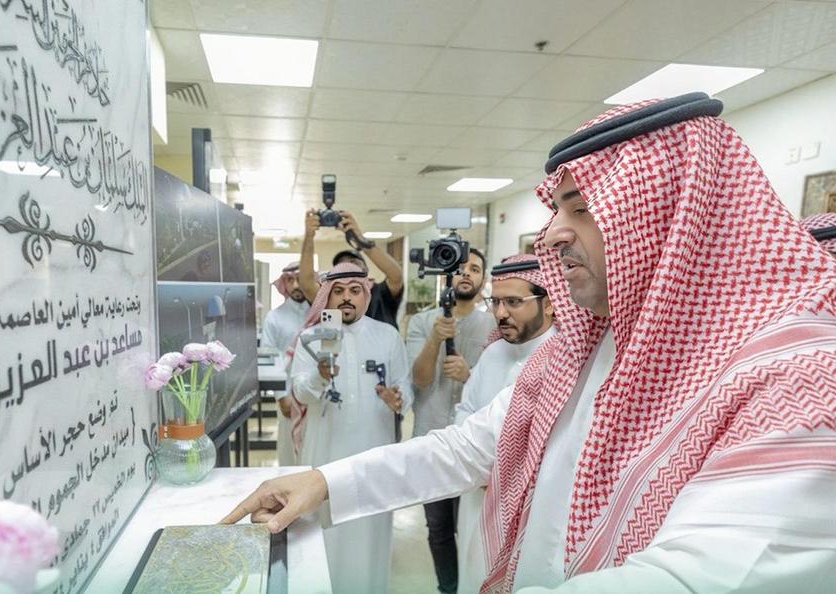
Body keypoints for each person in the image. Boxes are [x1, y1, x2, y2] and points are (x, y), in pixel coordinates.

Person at [223, 94, 836, 593]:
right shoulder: (581, 350)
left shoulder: (796, 372)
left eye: (581, 209)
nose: (552, 235)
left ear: (671, 214)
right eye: (557, 210)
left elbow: (703, 577)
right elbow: (469, 446)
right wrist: (324, 482)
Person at [288, 262, 411, 594]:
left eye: (355, 291)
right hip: (326, 454)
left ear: (366, 295)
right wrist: (319, 377)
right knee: (325, 530)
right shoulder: (311, 339)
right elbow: (300, 392)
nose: (346, 298)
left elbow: (405, 385)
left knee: (371, 530)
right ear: (327, 297)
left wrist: (398, 398)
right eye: (338, 291)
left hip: (375, 453)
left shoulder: (387, 335)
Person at [453, 254, 557, 591]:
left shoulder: (566, 359)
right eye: (495, 302)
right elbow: (465, 410)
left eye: (513, 302)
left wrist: (504, 472)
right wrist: (484, 469)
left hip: (533, 509)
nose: (500, 313)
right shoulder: (492, 354)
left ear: (550, 303)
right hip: (478, 496)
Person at [405, 246, 496, 594]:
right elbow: (420, 379)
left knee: (470, 527)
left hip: (476, 447)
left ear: (483, 279)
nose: (467, 274)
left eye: (475, 269)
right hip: (432, 441)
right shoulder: (422, 322)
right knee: (438, 528)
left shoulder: (494, 324)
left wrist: (469, 374)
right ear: (447, 274)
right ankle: (448, 588)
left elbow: (504, 389)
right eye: (461, 268)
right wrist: (435, 338)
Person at [299, 210, 405, 328]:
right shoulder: (330, 295)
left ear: (366, 269)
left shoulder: (380, 293)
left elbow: (396, 275)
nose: (349, 268)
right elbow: (306, 284)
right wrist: (309, 237)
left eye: (354, 263)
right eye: (342, 266)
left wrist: (360, 240)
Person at [260, 262, 310, 466]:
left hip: (317, 395)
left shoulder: (320, 314)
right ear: (284, 284)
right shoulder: (274, 317)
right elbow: (268, 358)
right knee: (290, 456)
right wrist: (281, 397)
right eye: (290, 280)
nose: (296, 285)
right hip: (289, 396)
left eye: (300, 279)